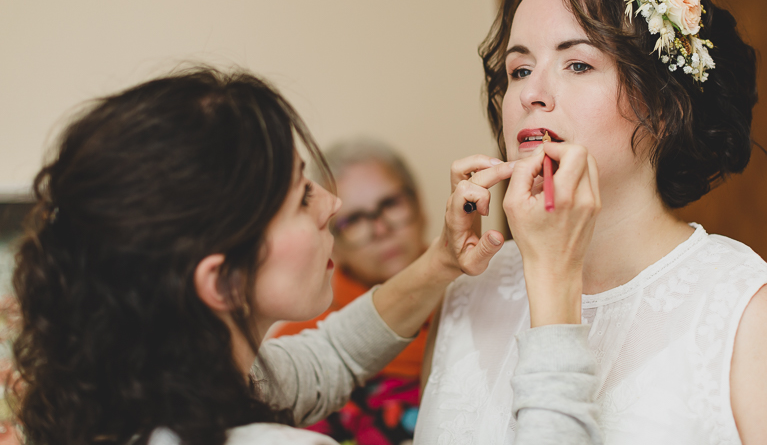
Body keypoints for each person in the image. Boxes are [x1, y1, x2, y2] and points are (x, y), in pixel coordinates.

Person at [415, 0, 767, 444]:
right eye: (520, 68)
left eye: (577, 63)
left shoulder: (750, 316)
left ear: (662, 107)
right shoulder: (470, 291)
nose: (532, 92)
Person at [8, 69, 519, 445]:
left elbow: (333, 356)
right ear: (223, 280)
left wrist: (443, 261)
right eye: (302, 197)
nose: (331, 205)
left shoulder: (131, 388)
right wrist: (557, 287)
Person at [271, 139, 429, 444]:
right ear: (333, 241)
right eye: (354, 220)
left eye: (390, 204)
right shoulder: (302, 344)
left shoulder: (483, 298)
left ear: (418, 204)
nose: (381, 229)